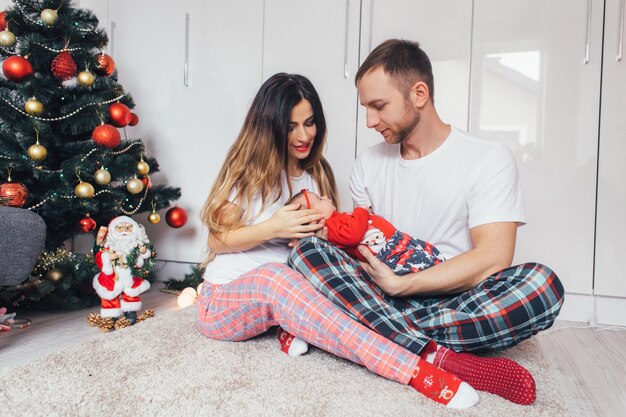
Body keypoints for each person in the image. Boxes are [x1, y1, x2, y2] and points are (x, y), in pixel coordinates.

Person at [288, 40, 565, 406]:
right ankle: (442, 357)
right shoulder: (367, 164)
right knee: (305, 252)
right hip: (378, 291)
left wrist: (404, 285)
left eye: (379, 106)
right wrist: (383, 283)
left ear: (419, 94)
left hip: (456, 298)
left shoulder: (489, 160)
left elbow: (494, 257)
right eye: (366, 109)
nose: (369, 121)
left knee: (542, 285)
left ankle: (373, 335)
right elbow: (360, 247)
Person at [195, 72, 479, 409]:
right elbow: (217, 240)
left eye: (310, 122)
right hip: (222, 301)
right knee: (277, 279)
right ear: (269, 126)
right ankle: (417, 369)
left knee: (329, 276)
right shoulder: (250, 174)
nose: (304, 135)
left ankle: (298, 328)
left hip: (286, 296)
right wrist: (274, 227)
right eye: (291, 126)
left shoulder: (317, 174)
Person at [288, 189, 445, 275]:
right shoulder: (329, 226)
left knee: (427, 252)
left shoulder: (337, 219)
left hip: (398, 241)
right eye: (319, 199)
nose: (325, 196)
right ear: (312, 216)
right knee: (420, 262)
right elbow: (352, 236)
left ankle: (442, 267)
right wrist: (361, 210)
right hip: (390, 252)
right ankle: (437, 275)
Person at [93, 216, 153, 324]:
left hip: (130, 273)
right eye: (119, 228)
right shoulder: (109, 245)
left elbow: (145, 254)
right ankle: (110, 315)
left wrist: (144, 252)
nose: (124, 231)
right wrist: (107, 257)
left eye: (128, 228)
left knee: (131, 292)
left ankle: (130, 311)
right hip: (113, 275)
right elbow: (99, 256)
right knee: (109, 294)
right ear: (113, 230)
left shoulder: (135, 244)